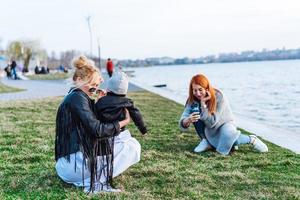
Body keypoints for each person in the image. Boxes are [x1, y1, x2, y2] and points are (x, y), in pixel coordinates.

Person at [55, 55, 141, 194]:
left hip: (68, 164)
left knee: (124, 139)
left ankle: (95, 178)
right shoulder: (78, 98)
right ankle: (98, 182)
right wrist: (123, 122)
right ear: (78, 80)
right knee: (131, 146)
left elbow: (88, 124)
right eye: (93, 86)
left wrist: (98, 102)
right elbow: (97, 130)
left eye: (96, 86)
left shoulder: (74, 96)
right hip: (73, 165)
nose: (94, 90)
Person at [179, 74, 268, 155]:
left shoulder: (218, 96)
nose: (197, 93)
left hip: (224, 124)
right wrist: (188, 120)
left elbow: (212, 122)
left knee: (230, 138)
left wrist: (203, 104)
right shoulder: (192, 100)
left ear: (206, 88)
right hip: (208, 130)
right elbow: (182, 122)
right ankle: (205, 141)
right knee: (195, 112)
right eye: (195, 90)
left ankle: (251, 139)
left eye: (200, 89)